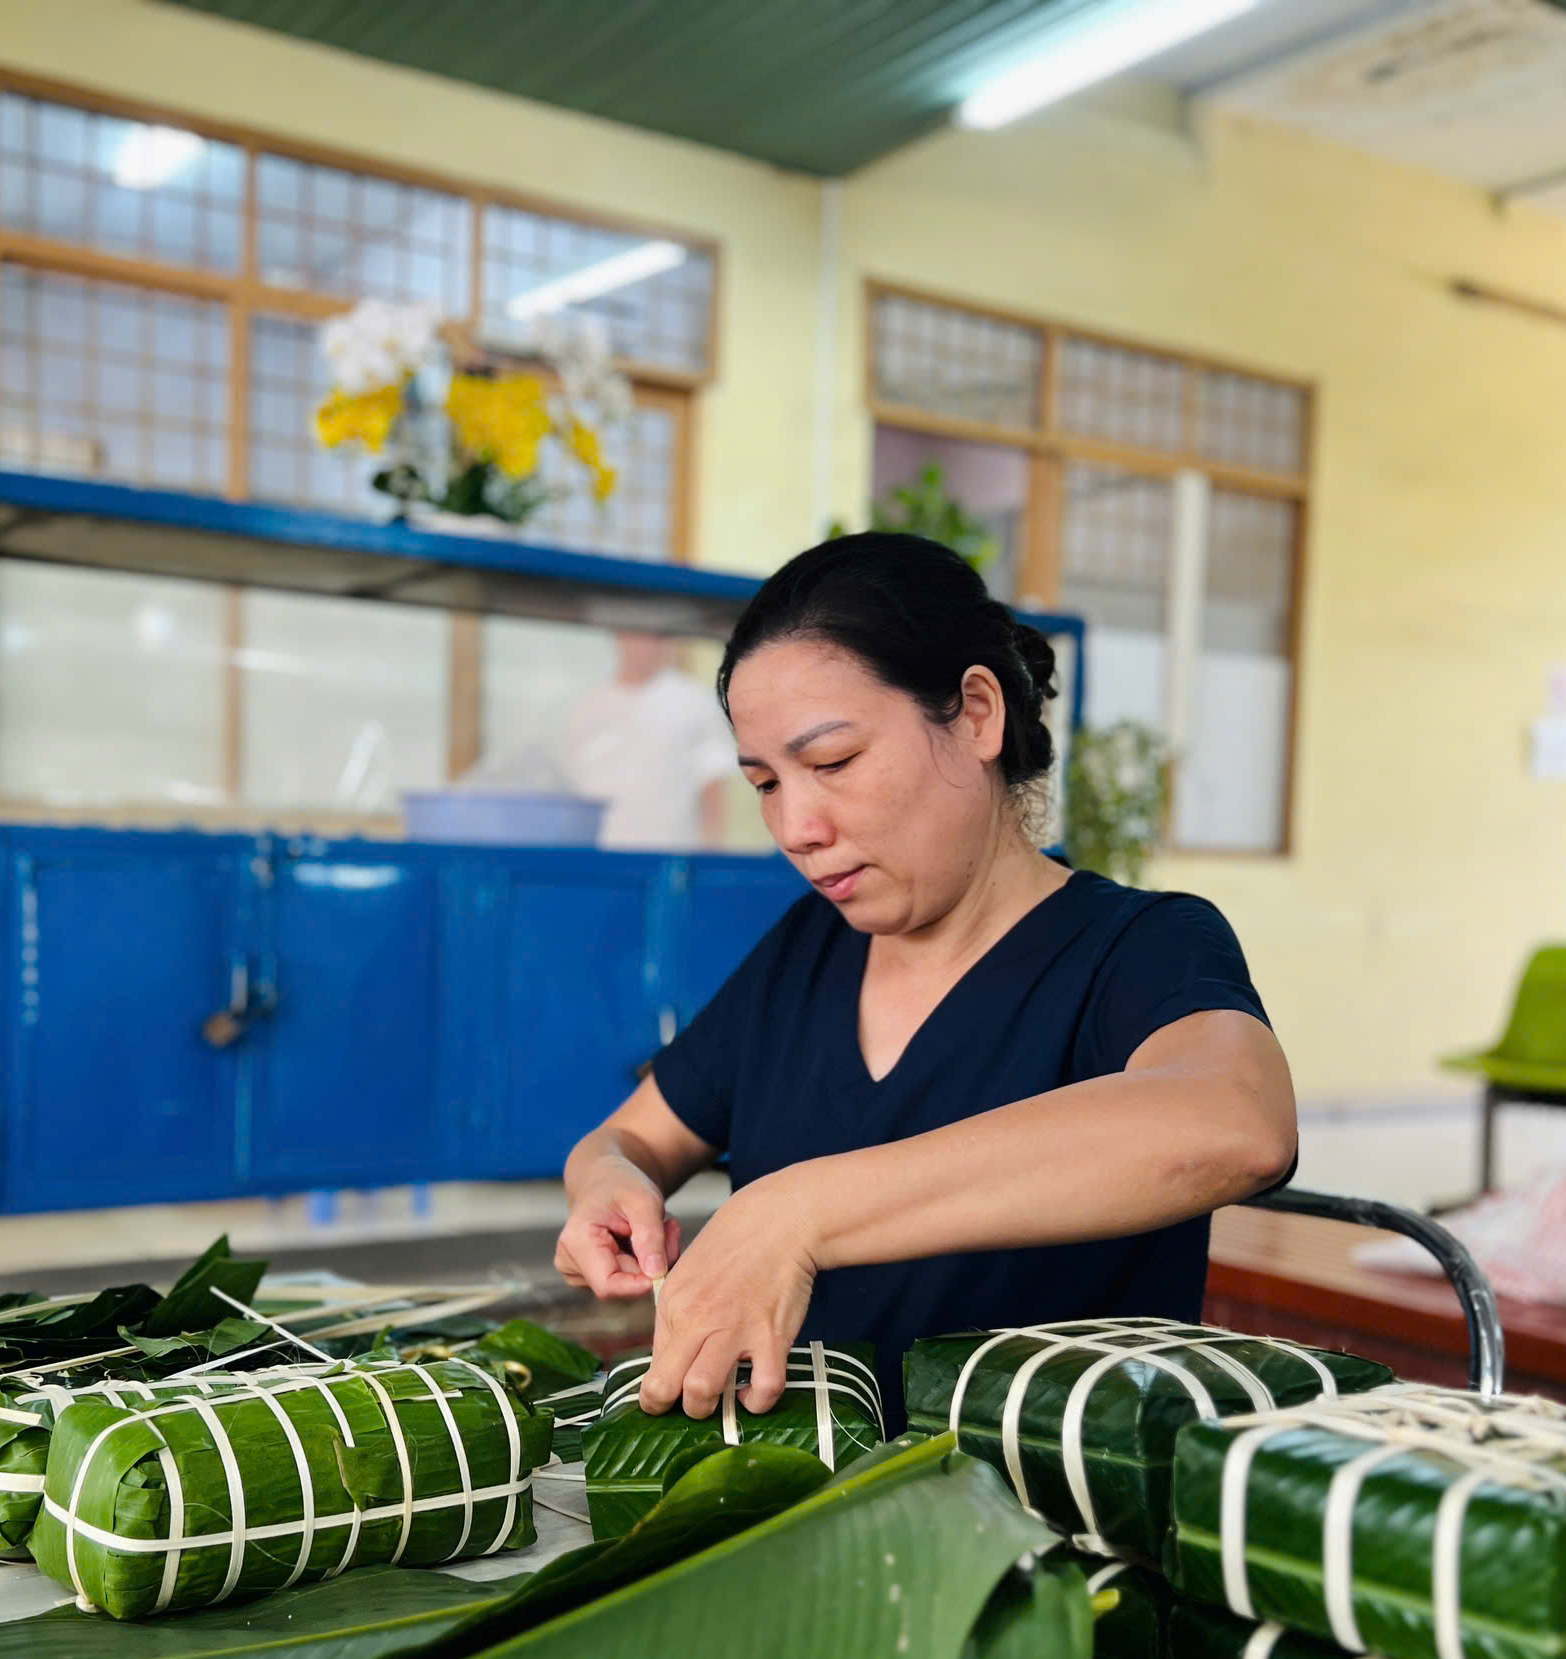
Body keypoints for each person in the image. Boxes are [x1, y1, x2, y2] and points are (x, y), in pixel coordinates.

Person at [552, 531, 1298, 1427]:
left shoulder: (1137, 947)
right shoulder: (805, 952)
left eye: (832, 763)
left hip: (1040, 1530)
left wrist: (795, 1214)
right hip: (799, 1504)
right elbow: (624, 1142)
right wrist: (604, 1184)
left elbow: (1235, 1124)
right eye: (765, 783)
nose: (797, 826)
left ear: (977, 713)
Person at [552, 632, 735, 850]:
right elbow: (571, 791)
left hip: (671, 861)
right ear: (618, 636)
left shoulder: (695, 703)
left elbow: (713, 788)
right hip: (600, 859)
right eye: (634, 633)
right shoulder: (585, 709)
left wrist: (712, 852)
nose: (642, 645)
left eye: (653, 635)